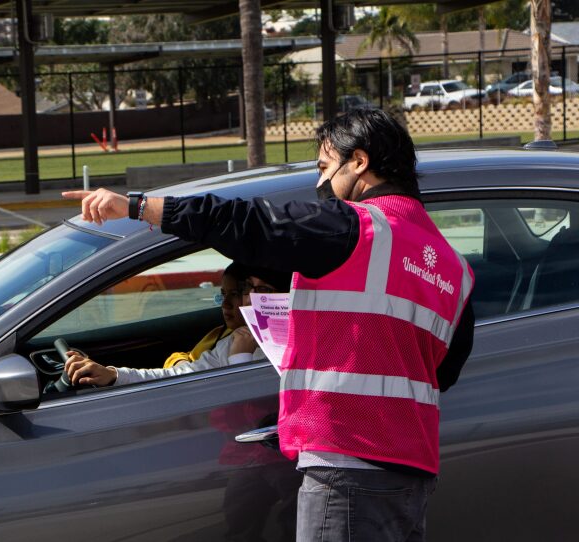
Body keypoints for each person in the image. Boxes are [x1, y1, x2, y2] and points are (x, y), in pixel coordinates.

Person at [63, 108, 475, 542]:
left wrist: (137, 207)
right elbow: (442, 373)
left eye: (323, 168)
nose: (319, 185)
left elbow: (248, 224)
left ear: (359, 162)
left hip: (347, 464)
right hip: (411, 474)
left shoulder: (354, 227)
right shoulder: (451, 265)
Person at [64, 272, 287, 387]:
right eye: (249, 288)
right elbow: (176, 376)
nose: (251, 299)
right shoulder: (233, 342)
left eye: (265, 290)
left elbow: (247, 407)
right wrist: (113, 375)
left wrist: (241, 356)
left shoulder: (295, 347)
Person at [162, 262, 245, 368]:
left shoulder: (245, 346)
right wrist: (181, 363)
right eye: (223, 294)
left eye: (234, 294)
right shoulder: (220, 333)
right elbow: (189, 356)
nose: (225, 304)